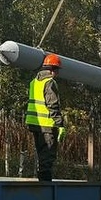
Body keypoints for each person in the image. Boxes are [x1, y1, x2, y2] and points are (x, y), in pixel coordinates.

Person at [25, 53, 65, 182]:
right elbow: (52, 105)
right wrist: (60, 124)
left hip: (34, 124)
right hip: (47, 125)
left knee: (41, 154)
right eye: (57, 70)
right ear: (53, 70)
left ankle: (42, 180)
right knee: (47, 156)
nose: (58, 73)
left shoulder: (34, 82)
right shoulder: (49, 82)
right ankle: (45, 185)